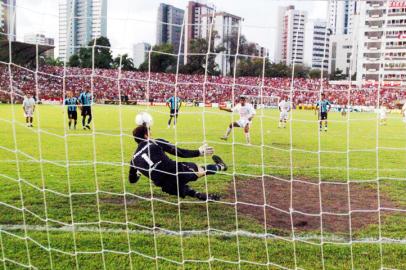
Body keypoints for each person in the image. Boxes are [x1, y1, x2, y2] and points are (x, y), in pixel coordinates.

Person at [129, 113, 227, 201]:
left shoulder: (133, 160)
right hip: (177, 171)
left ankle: (197, 194)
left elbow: (132, 180)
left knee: (173, 186)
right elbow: (179, 152)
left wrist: (139, 172)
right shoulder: (155, 142)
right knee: (200, 170)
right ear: (146, 136)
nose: (151, 134)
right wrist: (198, 152)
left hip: (164, 184)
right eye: (149, 132)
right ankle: (221, 166)